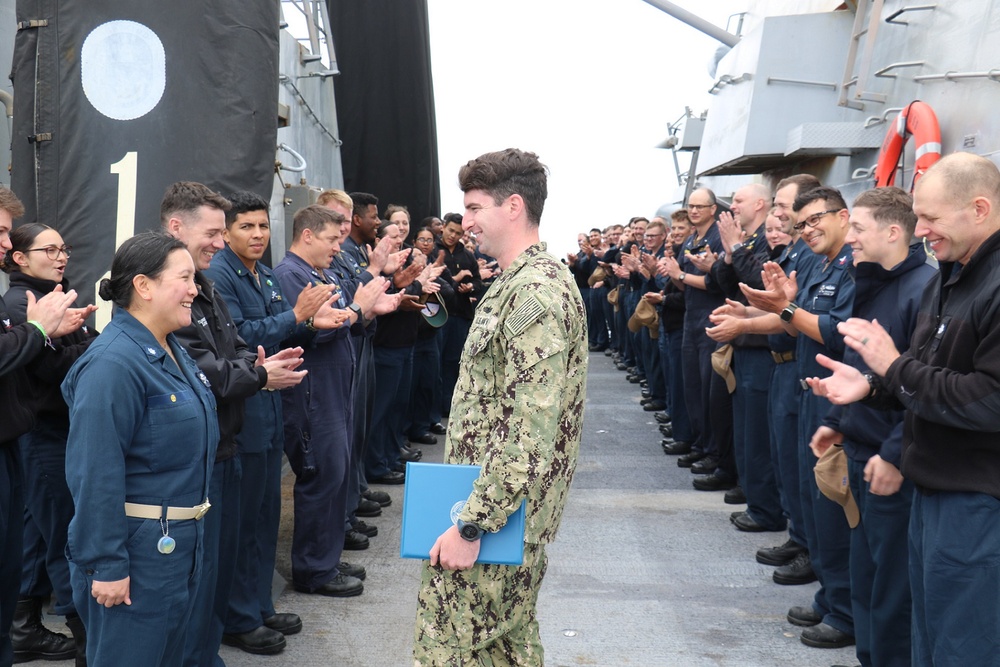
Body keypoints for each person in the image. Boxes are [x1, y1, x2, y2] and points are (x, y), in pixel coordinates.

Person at [810, 153, 1000, 665]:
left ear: (979, 208)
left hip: (977, 501)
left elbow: (988, 399)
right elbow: (923, 372)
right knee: (928, 641)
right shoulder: (951, 276)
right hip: (934, 489)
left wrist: (892, 370)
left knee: (964, 646)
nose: (922, 231)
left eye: (932, 219)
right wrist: (871, 385)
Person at [413, 148, 587, 665]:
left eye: (473, 208)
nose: (464, 223)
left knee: (446, 651)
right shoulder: (517, 281)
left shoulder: (534, 291)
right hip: (502, 514)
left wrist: (474, 525)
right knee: (506, 650)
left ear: (513, 206)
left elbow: (529, 430)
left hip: (497, 518)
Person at [160, 182, 306, 667]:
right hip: (201, 451)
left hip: (228, 437)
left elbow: (233, 346)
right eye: (216, 232)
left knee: (228, 554)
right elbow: (200, 365)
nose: (221, 244)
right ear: (176, 227)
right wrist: (259, 373)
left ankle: (224, 635)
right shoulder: (167, 287)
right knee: (199, 575)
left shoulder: (206, 281)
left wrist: (258, 367)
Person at [62, 232, 219, 666]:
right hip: (137, 554)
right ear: (144, 286)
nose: (195, 289)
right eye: (185, 278)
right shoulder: (112, 365)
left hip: (175, 546)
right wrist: (108, 565)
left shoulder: (169, 350)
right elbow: (94, 473)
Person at [205, 191, 347, 655]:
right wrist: (296, 316)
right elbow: (240, 335)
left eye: (263, 226)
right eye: (246, 227)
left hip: (268, 403)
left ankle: (259, 604)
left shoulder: (263, 273)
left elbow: (276, 327)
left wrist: (309, 324)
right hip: (243, 410)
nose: (258, 235)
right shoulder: (220, 276)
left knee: (267, 515)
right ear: (226, 232)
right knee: (243, 521)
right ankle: (240, 617)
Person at [807, 186, 936, 667]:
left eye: (858, 228)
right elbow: (857, 367)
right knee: (866, 576)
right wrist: (835, 422)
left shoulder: (923, 289)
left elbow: (921, 382)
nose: (851, 239)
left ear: (893, 231)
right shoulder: (872, 282)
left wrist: (895, 451)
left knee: (892, 589)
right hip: (861, 450)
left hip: (890, 461)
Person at [742, 186, 856, 649]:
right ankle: (833, 599)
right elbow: (798, 317)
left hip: (835, 397)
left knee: (831, 504)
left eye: (815, 220)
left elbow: (831, 328)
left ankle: (844, 609)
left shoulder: (850, 267)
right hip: (810, 390)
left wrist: (783, 308)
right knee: (810, 495)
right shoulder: (824, 263)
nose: (807, 230)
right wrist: (770, 310)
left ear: (844, 217)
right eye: (801, 223)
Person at [274, 205, 399, 597]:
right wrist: (358, 309)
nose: (337, 246)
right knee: (321, 478)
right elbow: (309, 331)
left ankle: (325, 557)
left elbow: (345, 318)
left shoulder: (319, 272)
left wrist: (362, 310)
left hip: (334, 391)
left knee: (336, 476)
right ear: (307, 235)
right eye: (331, 239)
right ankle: (313, 570)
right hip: (314, 395)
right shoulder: (291, 276)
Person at [3, 224, 96, 665]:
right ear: (19, 257)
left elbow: (74, 352)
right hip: (42, 435)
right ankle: (87, 640)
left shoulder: (56, 295)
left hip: (56, 432)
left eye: (65, 249)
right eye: (50, 249)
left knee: (38, 537)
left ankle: (25, 629)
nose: (61, 257)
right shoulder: (21, 303)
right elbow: (49, 371)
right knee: (65, 536)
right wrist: (85, 349)